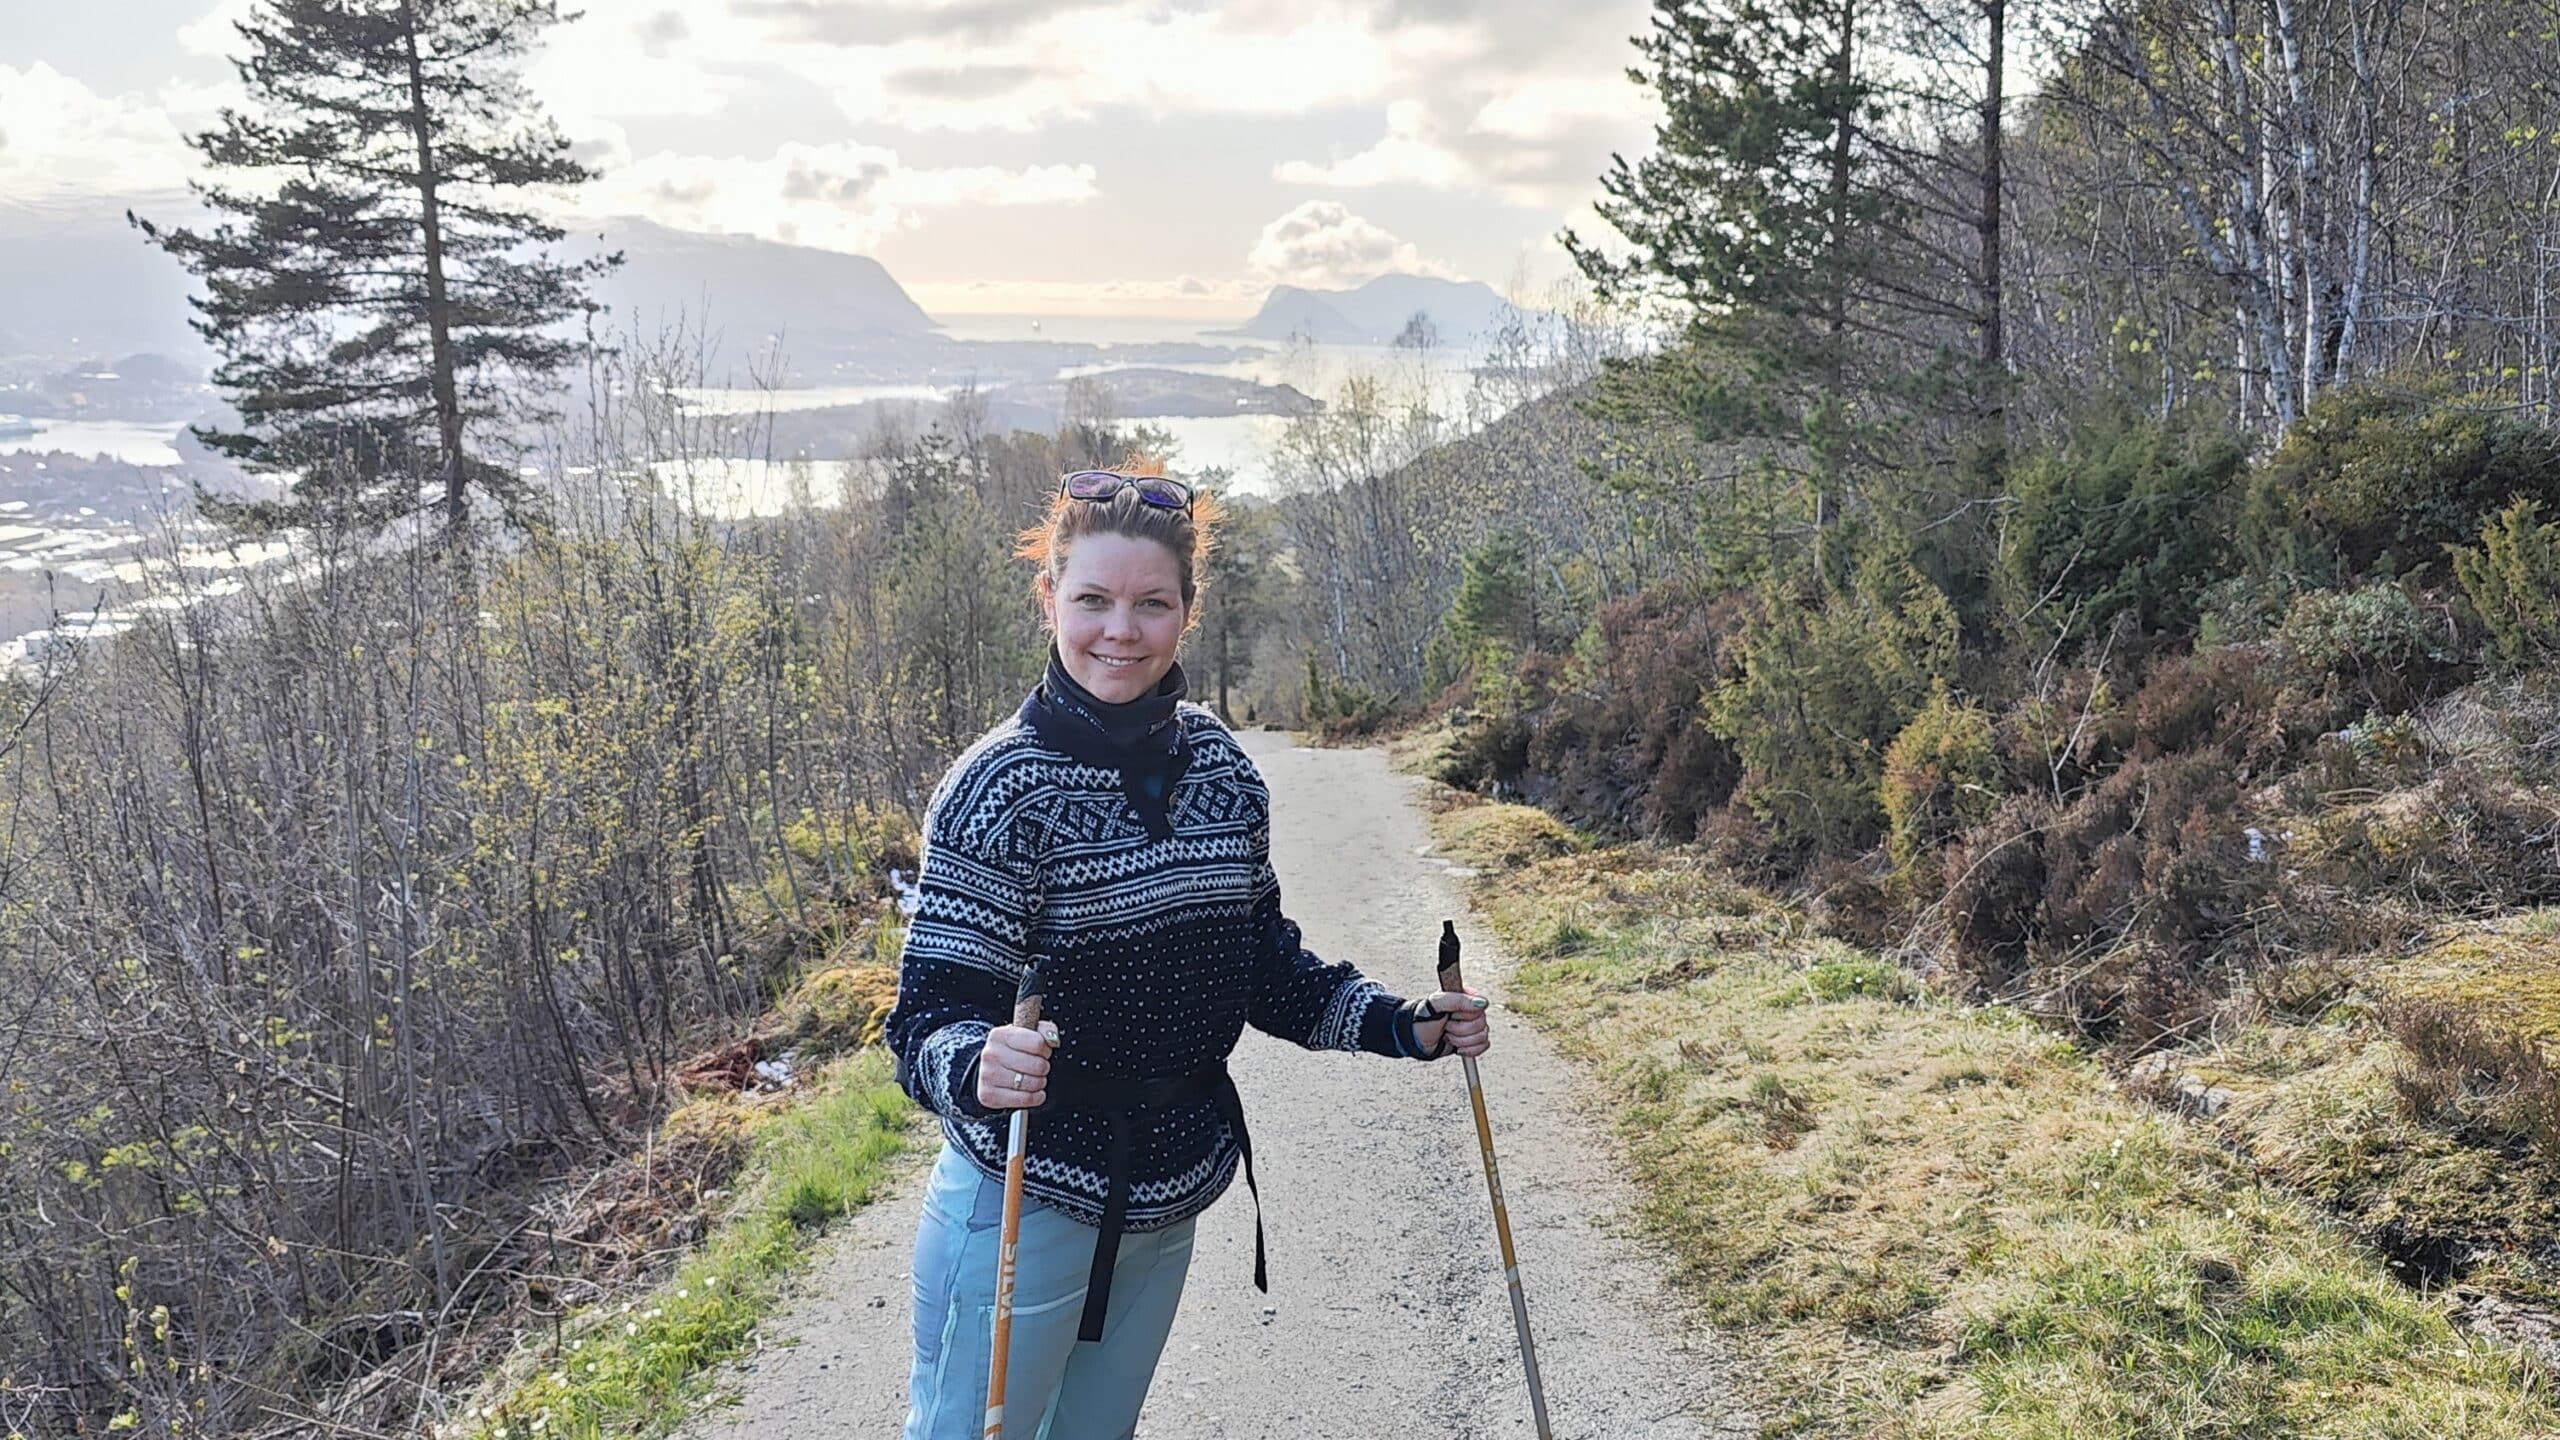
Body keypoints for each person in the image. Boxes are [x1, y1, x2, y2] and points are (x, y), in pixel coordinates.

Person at [886, 461, 1492, 1439]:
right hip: (1022, 1203)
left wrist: (1402, 1026)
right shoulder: (995, 790)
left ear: (1186, 613)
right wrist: (973, 1059)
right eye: (1092, 600)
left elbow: (1263, 970)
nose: (1119, 631)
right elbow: (925, 1019)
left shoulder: (1220, 768)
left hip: (1165, 1197)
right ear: (1050, 600)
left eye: (1149, 604)